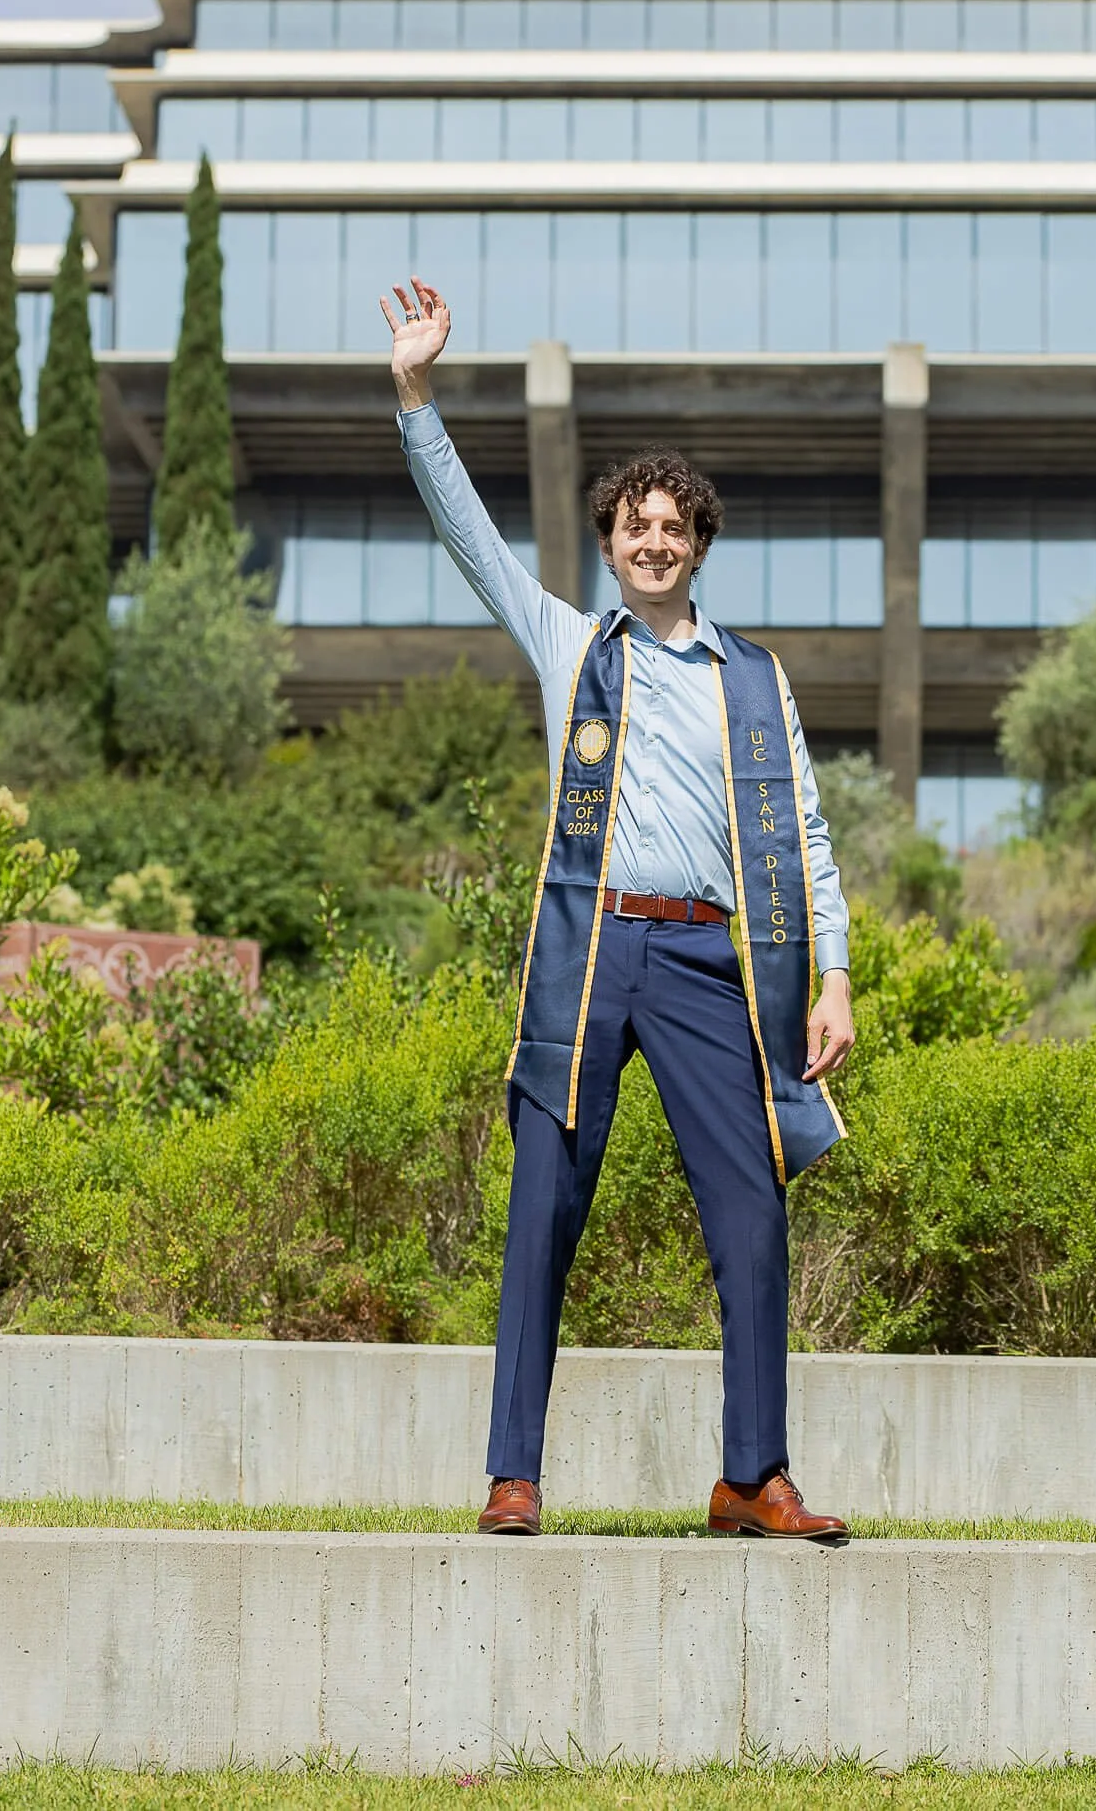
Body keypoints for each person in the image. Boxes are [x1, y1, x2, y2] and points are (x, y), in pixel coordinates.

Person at [382, 274, 855, 1544]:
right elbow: (468, 535)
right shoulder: (566, 643)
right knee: (543, 1205)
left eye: (672, 527)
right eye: (633, 527)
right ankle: (511, 1474)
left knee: (753, 1215)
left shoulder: (752, 679)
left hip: (711, 966)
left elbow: (805, 830)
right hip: (590, 954)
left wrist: (835, 974)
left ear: (697, 541)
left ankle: (751, 1474)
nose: (652, 543)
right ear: (609, 541)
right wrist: (416, 393)